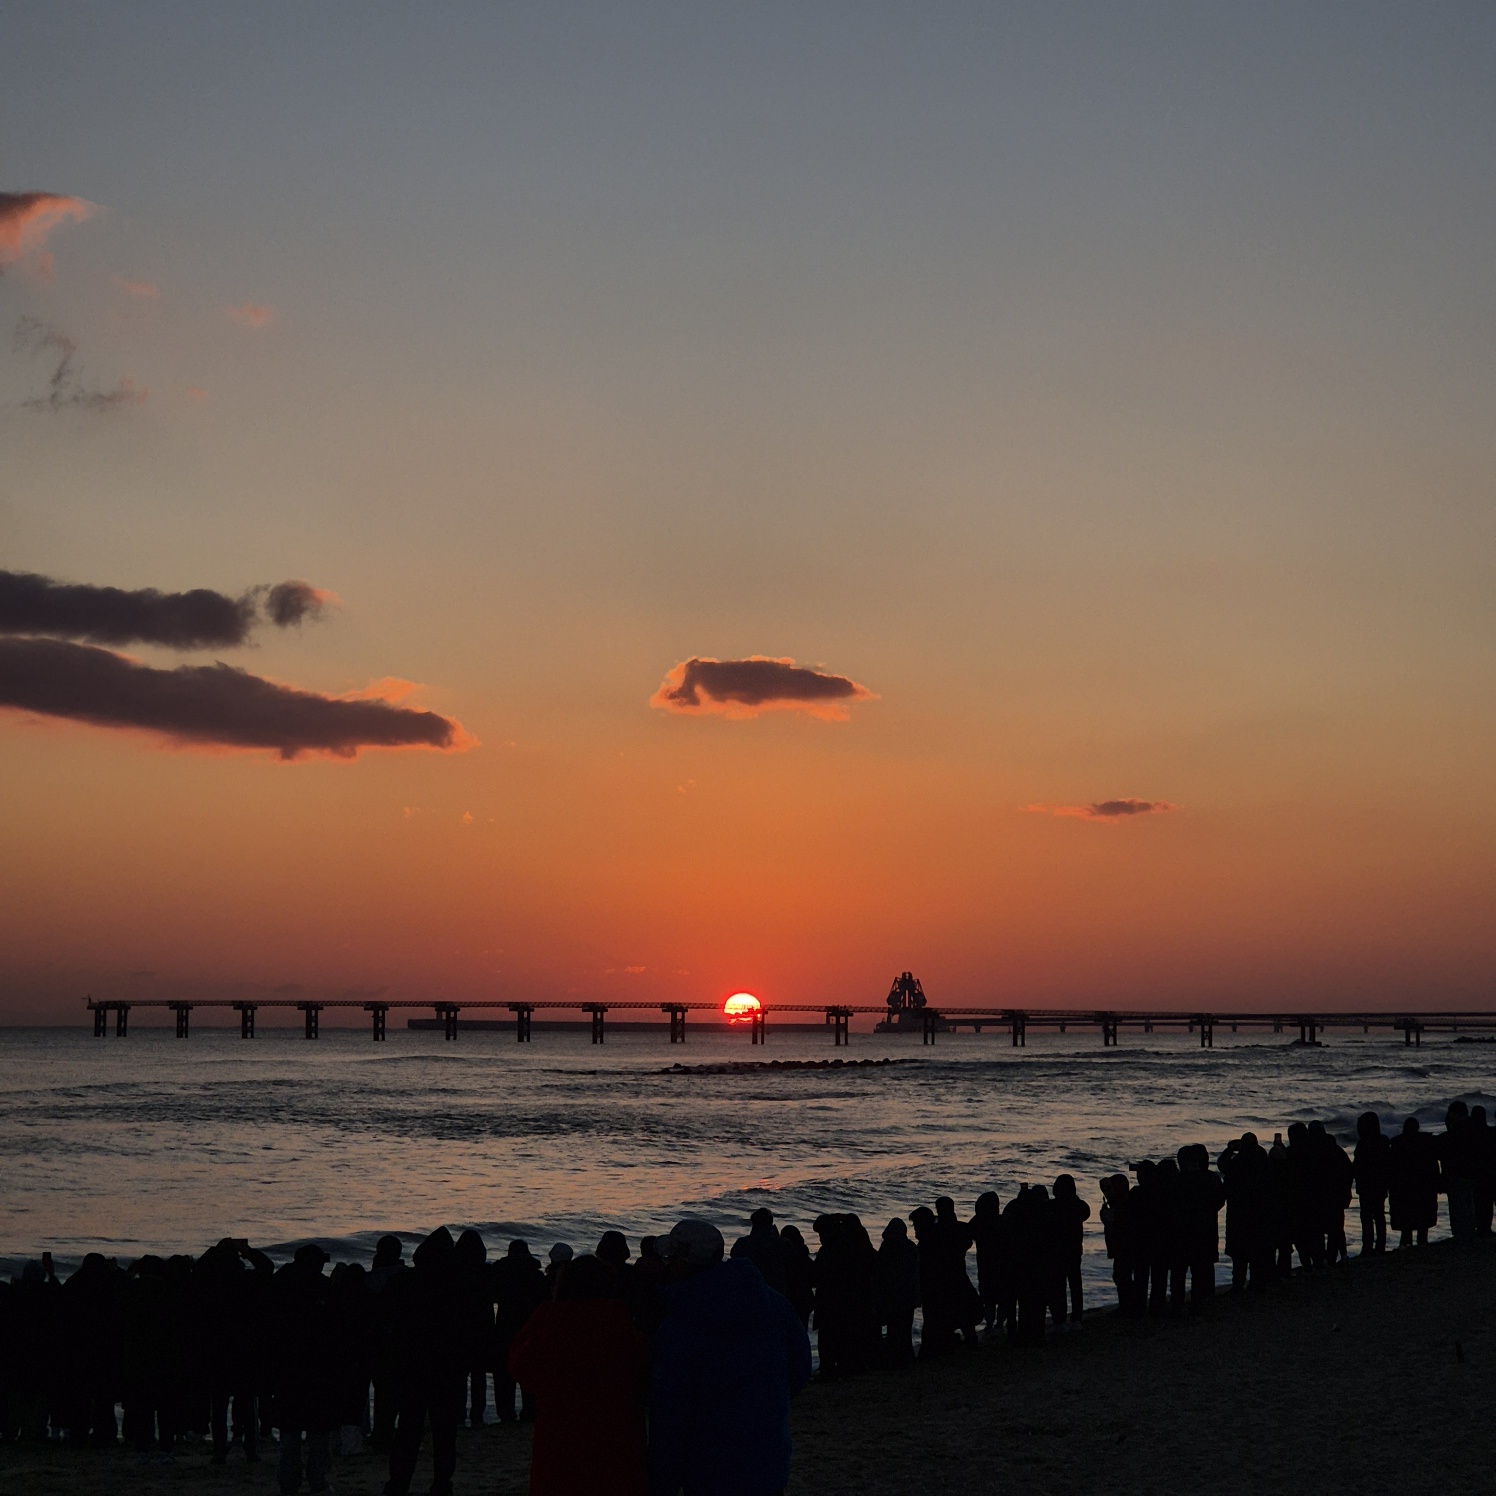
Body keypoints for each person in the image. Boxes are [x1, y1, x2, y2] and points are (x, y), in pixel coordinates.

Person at [648, 1219, 811, 1496]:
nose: (666, 1265)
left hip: (707, 1468)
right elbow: (800, 1368)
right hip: (766, 1456)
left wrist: (663, 1482)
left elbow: (671, 1415)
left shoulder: (678, 1327)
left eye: (669, 1257)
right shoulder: (774, 1304)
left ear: (682, 1260)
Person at [509, 1254, 649, 1496]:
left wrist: (546, 1313)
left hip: (560, 1442)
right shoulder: (626, 1333)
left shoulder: (552, 1331)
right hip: (616, 1443)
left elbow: (519, 1365)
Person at [384, 1228, 465, 1496]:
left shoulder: (403, 1282)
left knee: (408, 1429)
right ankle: (442, 1483)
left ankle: (399, 1483)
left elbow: (387, 1322)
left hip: (411, 1366)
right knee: (444, 1433)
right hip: (447, 1368)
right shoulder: (457, 1285)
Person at [269, 1244, 336, 1496]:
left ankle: (289, 1482)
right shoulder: (323, 1287)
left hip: (288, 1369)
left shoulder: (280, 1285)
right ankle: (317, 1480)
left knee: (291, 1430)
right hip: (316, 1370)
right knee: (317, 1431)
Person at [492, 1241, 546, 1423]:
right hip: (529, 1326)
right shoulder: (537, 1277)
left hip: (505, 1326)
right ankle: (530, 1411)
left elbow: (493, 1296)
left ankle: (506, 1413)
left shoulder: (501, 1275)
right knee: (529, 1369)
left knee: (504, 1372)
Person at [453, 1230, 492, 1427]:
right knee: (479, 1376)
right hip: (481, 1328)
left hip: (459, 1329)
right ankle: (478, 1415)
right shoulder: (486, 1272)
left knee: (459, 1376)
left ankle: (459, 1415)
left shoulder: (453, 1274)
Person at [872, 1218, 918, 1366]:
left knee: (894, 1328)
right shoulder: (910, 1247)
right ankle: (906, 1357)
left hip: (892, 1295)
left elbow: (880, 1272)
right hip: (907, 1295)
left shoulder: (887, 1247)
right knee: (905, 1328)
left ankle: (894, 1358)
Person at [1389, 1116, 1440, 1247]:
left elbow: (1392, 1168)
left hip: (1404, 1187)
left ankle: (1405, 1244)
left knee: (1406, 1219)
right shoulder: (1426, 1143)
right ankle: (1421, 1242)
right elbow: (1433, 1166)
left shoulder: (1398, 1144)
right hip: (1424, 1186)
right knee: (1423, 1219)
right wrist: (1437, 1182)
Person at [1050, 1176, 1091, 1327]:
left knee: (1060, 1286)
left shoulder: (1054, 1207)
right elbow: (1085, 1212)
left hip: (1059, 1252)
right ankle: (1076, 1317)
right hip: (1073, 1251)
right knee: (1074, 1284)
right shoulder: (1077, 1205)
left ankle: (1061, 1319)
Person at [1353, 1113, 1391, 1255]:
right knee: (1378, 1215)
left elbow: (1357, 1165)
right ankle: (1379, 1245)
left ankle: (1368, 1246)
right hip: (1378, 1185)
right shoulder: (1382, 1142)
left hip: (1367, 1185)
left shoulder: (1363, 1144)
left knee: (1367, 1216)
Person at [970, 1192, 1004, 1336]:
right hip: (1002, 1265)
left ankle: (990, 1325)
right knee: (1002, 1296)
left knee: (989, 1297)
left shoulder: (979, 1222)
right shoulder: (1002, 1221)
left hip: (985, 1265)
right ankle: (1000, 1324)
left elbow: (968, 1233)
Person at [730, 1209, 788, 1294]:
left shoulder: (743, 1242)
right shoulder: (782, 1244)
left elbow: (734, 1257)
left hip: (748, 1288)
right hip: (776, 1289)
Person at [777, 1226, 814, 1328]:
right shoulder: (804, 1257)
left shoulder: (783, 1258)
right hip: (804, 1301)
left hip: (789, 1299)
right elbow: (814, 1279)